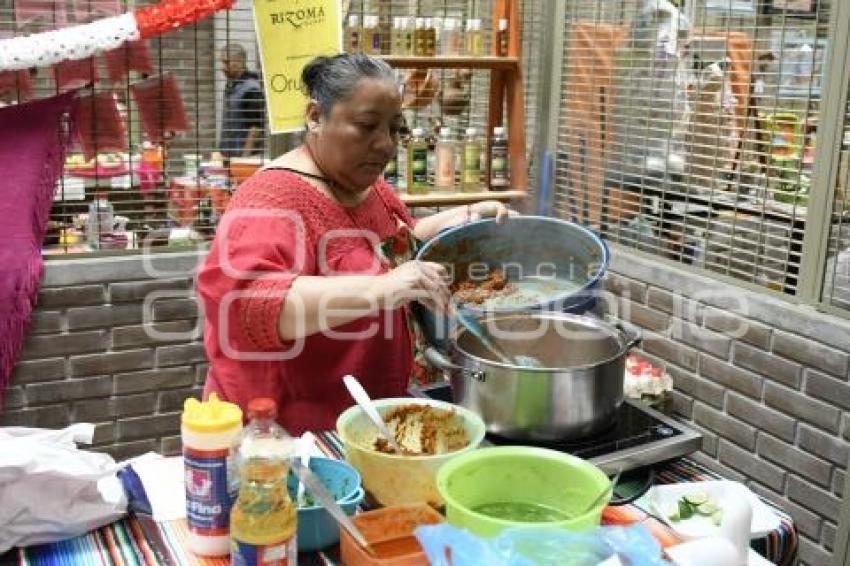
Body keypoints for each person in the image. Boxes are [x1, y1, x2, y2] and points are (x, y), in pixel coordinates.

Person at [198, 53, 510, 435]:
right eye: (366, 126)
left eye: (396, 129)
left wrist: (464, 216)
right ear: (315, 116)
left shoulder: (364, 184)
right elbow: (247, 304)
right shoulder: (272, 200)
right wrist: (384, 288)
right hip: (290, 440)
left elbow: (394, 242)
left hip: (365, 418)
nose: (385, 145)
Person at [217, 43, 265, 158]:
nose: (222, 67)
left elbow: (255, 128)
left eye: (226, 62)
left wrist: (244, 159)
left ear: (240, 62)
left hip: (245, 159)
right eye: (222, 62)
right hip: (230, 156)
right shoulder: (232, 85)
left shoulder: (251, 89)